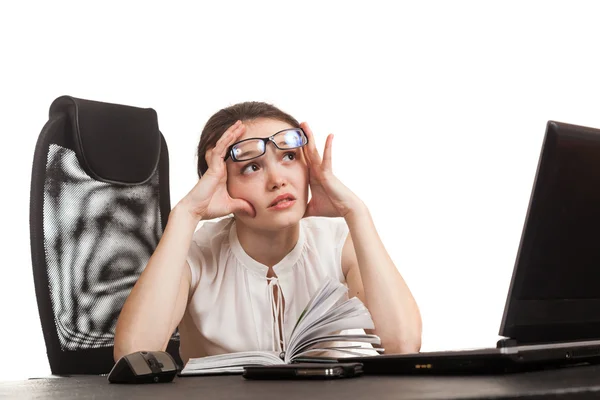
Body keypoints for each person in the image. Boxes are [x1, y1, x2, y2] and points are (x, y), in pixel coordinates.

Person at [114, 102, 422, 364]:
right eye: (252, 167)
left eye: (289, 157)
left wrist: (356, 213)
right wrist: (185, 214)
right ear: (221, 184)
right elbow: (133, 355)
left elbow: (402, 345)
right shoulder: (196, 252)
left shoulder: (337, 242)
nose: (278, 180)